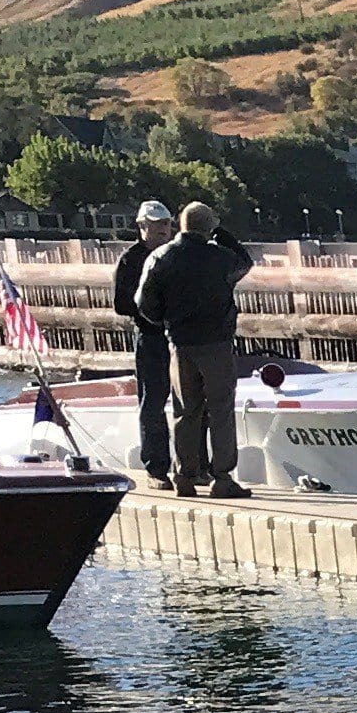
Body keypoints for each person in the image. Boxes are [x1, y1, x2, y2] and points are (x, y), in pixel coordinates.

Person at [134, 200, 257, 498]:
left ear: (180, 224)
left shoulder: (161, 257)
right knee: (221, 412)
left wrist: (167, 321)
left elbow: (143, 302)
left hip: (180, 344)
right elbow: (245, 262)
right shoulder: (220, 257)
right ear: (208, 226)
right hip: (216, 344)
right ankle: (222, 477)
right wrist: (222, 233)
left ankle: (185, 477)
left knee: (184, 412)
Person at [109, 197, 176, 487]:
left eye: (166, 225)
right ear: (141, 226)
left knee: (192, 402)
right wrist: (152, 308)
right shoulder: (130, 260)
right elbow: (121, 305)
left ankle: (193, 466)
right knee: (153, 402)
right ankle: (156, 468)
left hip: (180, 338)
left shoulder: (176, 255)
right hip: (150, 337)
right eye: (156, 226)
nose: (163, 231)